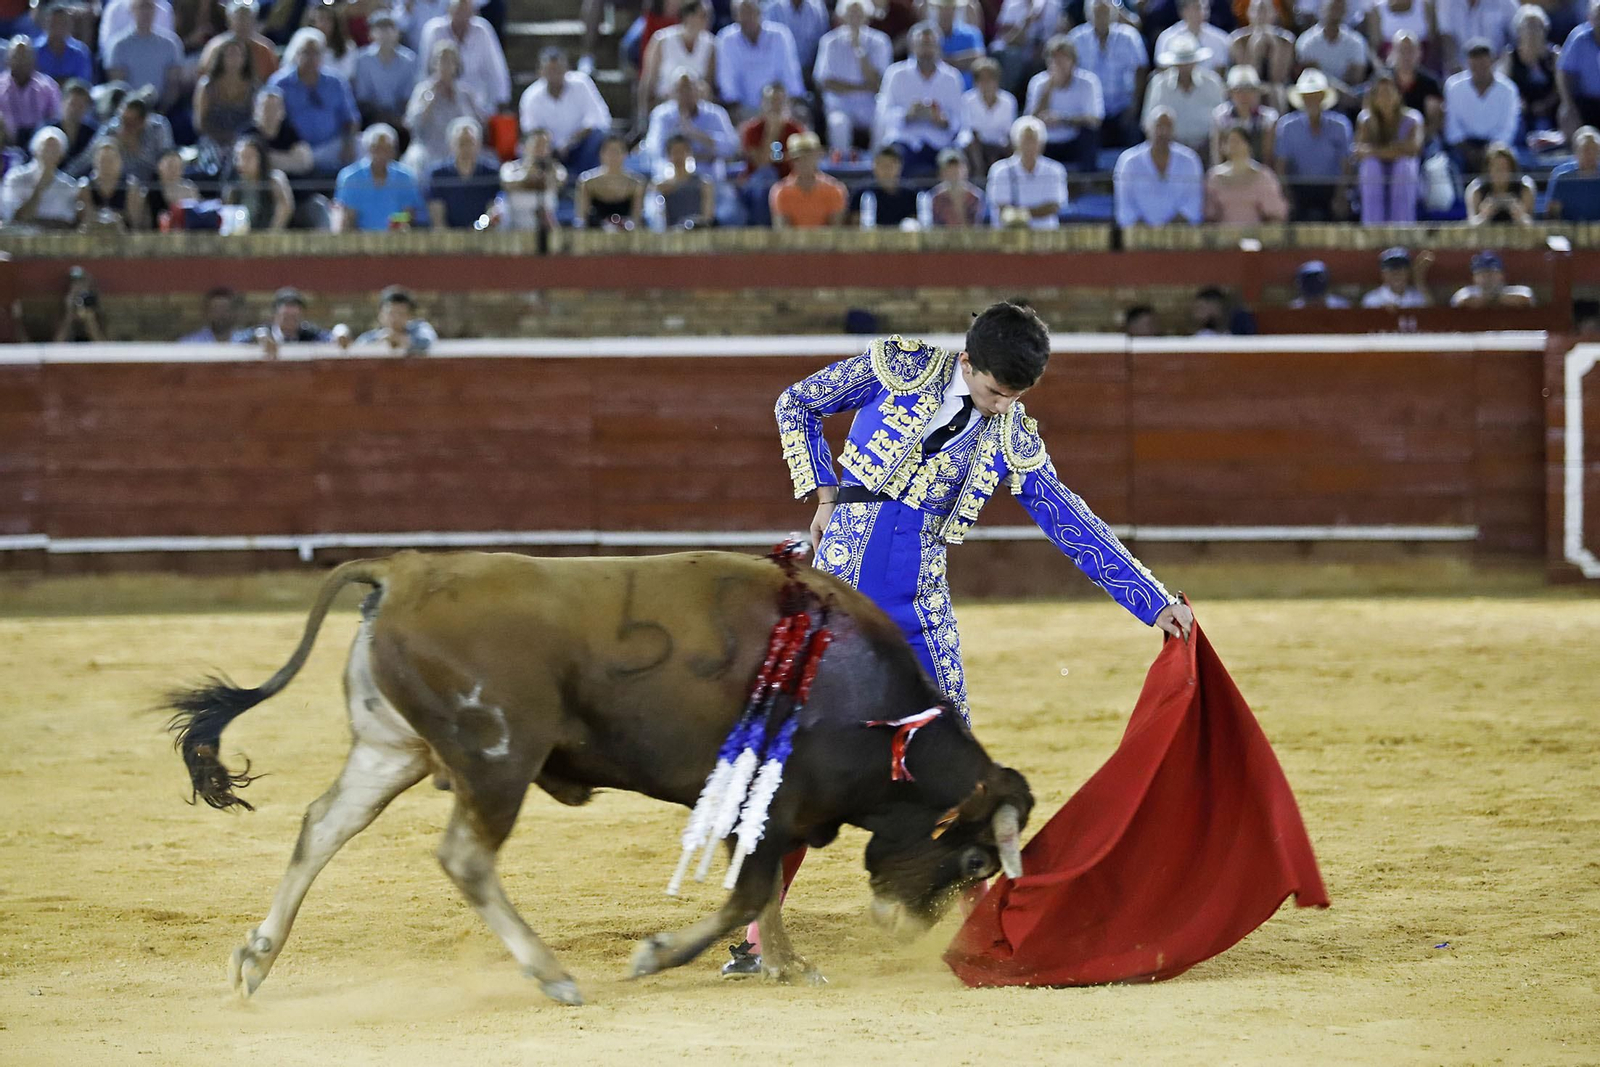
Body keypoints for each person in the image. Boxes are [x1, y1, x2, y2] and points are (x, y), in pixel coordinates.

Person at [744, 302, 1195, 978]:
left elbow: (1066, 515)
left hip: (921, 600)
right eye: (992, 391)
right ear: (967, 361)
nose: (999, 406)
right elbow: (798, 403)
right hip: (842, 588)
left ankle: (980, 928)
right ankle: (757, 934)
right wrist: (824, 493)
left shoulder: (1011, 429)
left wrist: (1151, 600)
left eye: (1013, 396)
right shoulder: (898, 367)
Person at [877, 22, 966, 177]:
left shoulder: (952, 77)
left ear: (938, 47)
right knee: (892, 159)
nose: (926, 50)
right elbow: (884, 114)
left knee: (953, 162)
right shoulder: (896, 74)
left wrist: (941, 120)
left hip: (940, 143)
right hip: (904, 140)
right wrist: (908, 115)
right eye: (922, 45)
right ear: (912, 46)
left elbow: (960, 119)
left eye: (930, 45)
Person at [267, 27, 360, 173]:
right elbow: (269, 120)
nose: (311, 58)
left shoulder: (336, 82)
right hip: (294, 150)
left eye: (316, 53)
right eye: (306, 52)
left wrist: (348, 143)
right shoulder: (280, 83)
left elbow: (351, 119)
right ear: (296, 54)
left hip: (331, 147)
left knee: (367, 143)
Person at [518, 47, 611, 179]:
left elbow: (599, 119)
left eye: (558, 70)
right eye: (550, 70)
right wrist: (550, 147)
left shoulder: (581, 84)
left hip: (580, 146)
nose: (554, 75)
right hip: (548, 151)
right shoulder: (530, 96)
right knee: (527, 149)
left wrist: (570, 142)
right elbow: (531, 131)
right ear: (540, 72)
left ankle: (586, 180)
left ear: (567, 69)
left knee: (598, 137)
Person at [1274, 68, 1353, 220]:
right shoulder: (1287, 126)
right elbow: (1281, 165)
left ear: (1323, 97)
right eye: (1307, 96)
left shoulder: (1340, 126)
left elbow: (1346, 164)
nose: (1311, 100)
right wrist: (1286, 196)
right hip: (1299, 188)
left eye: (1315, 95)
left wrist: (1340, 195)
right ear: (1301, 98)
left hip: (1332, 188)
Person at [813, 0, 891, 151]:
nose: (855, 18)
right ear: (843, 16)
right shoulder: (829, 41)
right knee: (838, 124)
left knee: (883, 122)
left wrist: (859, 49)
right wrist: (863, 87)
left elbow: (878, 83)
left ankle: (877, 162)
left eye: (859, 13)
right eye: (851, 13)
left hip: (870, 105)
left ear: (867, 16)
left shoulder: (880, 41)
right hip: (840, 104)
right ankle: (841, 161)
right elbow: (825, 82)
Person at [1068, 0, 1147, 148]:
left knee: (1133, 134)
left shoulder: (1129, 36)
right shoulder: (1076, 38)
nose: (1101, 17)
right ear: (1088, 14)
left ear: (1114, 14)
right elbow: (1070, 73)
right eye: (1097, 13)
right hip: (1089, 110)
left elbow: (1140, 70)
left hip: (1122, 106)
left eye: (1105, 12)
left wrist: (1134, 105)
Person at [402, 38, 484, 174]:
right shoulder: (422, 90)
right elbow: (412, 124)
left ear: (456, 65)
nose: (445, 65)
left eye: (450, 60)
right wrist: (430, 101)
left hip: (458, 149)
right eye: (441, 60)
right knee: (417, 159)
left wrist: (455, 97)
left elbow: (474, 126)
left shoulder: (465, 93)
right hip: (429, 148)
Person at [1114, 104, 1204, 226]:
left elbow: (1192, 204)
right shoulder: (1129, 161)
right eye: (1158, 126)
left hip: (1181, 232)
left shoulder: (1190, 160)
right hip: (1137, 234)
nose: (1163, 132)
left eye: (1168, 127)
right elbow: (1126, 207)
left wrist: (1166, 232)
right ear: (1147, 128)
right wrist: (1148, 233)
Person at [1025, 35, 1104, 171]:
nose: (1058, 63)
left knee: (1089, 134)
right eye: (1053, 59)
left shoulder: (1088, 82)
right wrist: (1049, 88)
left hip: (1075, 141)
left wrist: (1063, 120)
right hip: (1047, 143)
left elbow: (1095, 119)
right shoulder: (1038, 83)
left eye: (1063, 58)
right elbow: (1030, 119)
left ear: (1073, 61)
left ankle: (1088, 178)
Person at [715, 0, 804, 121]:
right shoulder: (726, 39)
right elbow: (727, 81)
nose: (747, 18)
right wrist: (737, 111)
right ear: (735, 16)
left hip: (780, 108)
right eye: (742, 13)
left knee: (801, 115)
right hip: (744, 111)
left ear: (760, 12)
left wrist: (786, 107)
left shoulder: (780, 35)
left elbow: (790, 75)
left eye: (751, 12)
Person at [1354, 70, 1422, 223]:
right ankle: (1372, 229)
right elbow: (1360, 152)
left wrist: (1374, 151)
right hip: (1376, 175)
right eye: (1380, 94)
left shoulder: (1413, 119)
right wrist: (1395, 150)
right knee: (1371, 167)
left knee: (1403, 166)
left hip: (1407, 177)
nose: (1385, 98)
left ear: (1399, 95)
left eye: (1389, 92)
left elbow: (1413, 149)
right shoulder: (1366, 120)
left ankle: (1402, 230)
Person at [417, 0, 509, 112]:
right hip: (440, 100)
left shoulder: (482, 30)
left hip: (478, 102)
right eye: (458, 11)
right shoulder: (434, 30)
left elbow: (494, 69)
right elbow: (425, 69)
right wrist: (428, 95)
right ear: (449, 10)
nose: (462, 15)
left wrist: (501, 98)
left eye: (466, 11)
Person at [334, 122, 430, 230]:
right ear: (368, 148)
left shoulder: (406, 177)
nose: (382, 153)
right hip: (360, 238)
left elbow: (409, 213)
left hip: (396, 237)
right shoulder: (350, 177)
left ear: (394, 150)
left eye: (387, 148)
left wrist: (397, 220)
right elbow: (348, 218)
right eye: (377, 148)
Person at [1142, 34, 1226, 156]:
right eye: (1181, 63)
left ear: (1196, 62)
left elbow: (1223, 120)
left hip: (1208, 149)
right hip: (1170, 150)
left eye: (1188, 62)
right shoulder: (1159, 84)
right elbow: (1148, 123)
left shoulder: (1212, 82)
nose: (1185, 67)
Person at [1443, 38, 1519, 174]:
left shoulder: (1508, 89)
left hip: (1497, 146)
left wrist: (1490, 151)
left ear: (1492, 61)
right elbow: (1452, 128)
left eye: (1483, 64)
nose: (1479, 69)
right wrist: (1469, 151)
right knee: (1448, 165)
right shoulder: (1453, 86)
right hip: (1463, 147)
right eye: (1474, 64)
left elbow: (1508, 129)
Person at [641, 68, 738, 174]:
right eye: (680, 90)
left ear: (698, 90)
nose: (685, 95)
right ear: (673, 92)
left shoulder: (716, 114)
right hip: (671, 176)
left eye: (689, 89)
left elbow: (732, 147)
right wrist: (680, 153)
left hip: (708, 175)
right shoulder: (661, 115)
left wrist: (696, 134)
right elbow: (654, 149)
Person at [737, 80, 805, 225]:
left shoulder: (795, 130)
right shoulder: (751, 130)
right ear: (762, 103)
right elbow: (761, 163)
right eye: (772, 101)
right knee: (767, 175)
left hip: (789, 182)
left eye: (780, 101)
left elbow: (801, 163)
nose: (776, 106)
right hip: (755, 186)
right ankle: (763, 231)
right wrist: (772, 132)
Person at [985, 114, 1069, 227]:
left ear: (1041, 143)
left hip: (1045, 235)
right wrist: (1024, 214)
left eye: (1033, 140)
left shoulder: (1055, 170)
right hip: (1009, 235)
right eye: (1025, 140)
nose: (1029, 145)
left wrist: (1020, 214)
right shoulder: (999, 170)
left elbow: (1054, 206)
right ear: (1016, 142)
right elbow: (1001, 207)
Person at [638, 0, 714, 122]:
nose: (707, 20)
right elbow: (648, 82)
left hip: (697, 113)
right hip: (664, 109)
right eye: (702, 15)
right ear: (688, 16)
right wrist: (644, 117)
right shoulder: (662, 40)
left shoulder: (710, 44)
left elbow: (708, 84)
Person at [105, 0, 184, 109]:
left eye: (149, 7)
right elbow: (118, 85)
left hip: (161, 109)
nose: (146, 12)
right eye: (142, 7)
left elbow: (173, 86)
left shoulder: (171, 44)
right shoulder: (119, 46)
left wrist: (161, 110)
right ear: (132, 10)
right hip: (128, 110)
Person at [192, 34, 259, 161]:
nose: (234, 59)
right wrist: (222, 139)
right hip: (212, 141)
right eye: (230, 54)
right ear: (221, 57)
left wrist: (237, 141)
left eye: (238, 54)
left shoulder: (253, 88)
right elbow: (199, 123)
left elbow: (256, 121)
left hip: (244, 142)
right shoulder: (207, 87)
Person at [351, 8, 418, 132]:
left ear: (397, 32)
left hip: (401, 121)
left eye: (389, 27)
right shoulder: (363, 59)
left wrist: (397, 120)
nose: (385, 33)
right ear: (371, 34)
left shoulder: (409, 59)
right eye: (380, 28)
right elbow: (363, 98)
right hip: (372, 120)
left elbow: (409, 96)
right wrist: (384, 118)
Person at [1205, 122, 1288, 221]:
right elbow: (1209, 214)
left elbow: (1275, 214)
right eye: (1230, 141)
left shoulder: (1263, 176)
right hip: (1223, 230)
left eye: (1238, 141)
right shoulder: (1214, 177)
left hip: (1255, 230)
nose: (1234, 145)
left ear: (1248, 144)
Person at [0, 124, 78, 226]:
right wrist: (39, 188)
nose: (49, 153)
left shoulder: (68, 185)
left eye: (55, 149)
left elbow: (67, 222)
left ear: (61, 155)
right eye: (46, 147)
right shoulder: (16, 178)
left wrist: (38, 222)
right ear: (35, 150)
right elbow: (14, 218)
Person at [427, 115, 498, 227]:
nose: (466, 148)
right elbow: (437, 218)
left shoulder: (490, 173)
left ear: (479, 144)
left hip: (482, 234)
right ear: (451, 144)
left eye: (470, 142)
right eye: (461, 143)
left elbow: (492, 211)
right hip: (448, 235)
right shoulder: (438, 174)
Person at [769, 129, 845, 227]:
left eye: (809, 156)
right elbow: (783, 231)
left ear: (818, 157)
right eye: (798, 158)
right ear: (791, 161)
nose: (804, 162)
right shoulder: (781, 192)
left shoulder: (834, 190)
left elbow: (835, 230)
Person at [1228, 0, 1295, 110]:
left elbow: (1278, 77)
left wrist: (1275, 47)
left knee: (1276, 91)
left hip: (1274, 87)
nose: (1261, 15)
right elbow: (1246, 75)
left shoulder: (1286, 40)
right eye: (1257, 11)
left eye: (1265, 11)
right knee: (1249, 91)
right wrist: (1254, 48)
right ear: (1248, 13)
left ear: (1274, 13)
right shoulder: (1238, 40)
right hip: (1248, 85)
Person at [959, 56, 1019, 178]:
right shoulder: (967, 100)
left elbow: (1009, 131)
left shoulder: (1009, 101)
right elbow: (972, 130)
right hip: (975, 144)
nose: (986, 83)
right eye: (981, 79)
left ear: (997, 80)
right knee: (972, 144)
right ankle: (979, 175)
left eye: (990, 78)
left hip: (999, 144)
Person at [497, 126, 564, 232]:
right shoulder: (510, 167)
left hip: (545, 228)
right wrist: (527, 176)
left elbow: (559, 181)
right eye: (537, 145)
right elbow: (507, 183)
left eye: (546, 146)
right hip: (513, 227)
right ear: (525, 147)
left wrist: (542, 178)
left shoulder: (555, 169)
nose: (542, 150)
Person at [992, 0, 1065, 96]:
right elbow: (1010, 40)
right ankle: (1009, 95)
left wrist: (1043, 48)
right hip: (1018, 50)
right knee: (1012, 55)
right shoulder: (1012, 4)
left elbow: (1059, 35)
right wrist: (1026, 23)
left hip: (1044, 50)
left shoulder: (1054, 5)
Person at [222, 133, 294, 229]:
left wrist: (271, 233)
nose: (242, 163)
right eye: (238, 157)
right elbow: (228, 216)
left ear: (260, 158)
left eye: (248, 157)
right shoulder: (233, 187)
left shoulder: (273, 180)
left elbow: (285, 208)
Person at [1296, 0, 1374, 88]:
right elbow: (1311, 75)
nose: (1336, 12)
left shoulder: (1356, 42)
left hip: (1349, 93)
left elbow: (1356, 77)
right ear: (1322, 9)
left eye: (1340, 8)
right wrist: (1337, 89)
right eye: (1333, 8)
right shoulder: (1307, 42)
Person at [1506, 3, 1559, 133]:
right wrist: (1519, 102)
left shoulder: (1554, 56)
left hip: (1548, 110)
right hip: (1519, 110)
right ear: (1519, 31)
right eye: (1528, 26)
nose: (1532, 31)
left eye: (1537, 26)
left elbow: (1560, 88)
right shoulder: (1510, 57)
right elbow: (1505, 85)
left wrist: (1546, 104)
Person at [1211, 64, 1277, 164]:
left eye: (1249, 90)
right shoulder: (1221, 117)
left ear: (1256, 93)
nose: (1244, 95)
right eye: (1239, 91)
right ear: (1231, 93)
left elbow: (1268, 156)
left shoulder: (1268, 118)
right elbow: (1218, 154)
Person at [240, 86, 313, 176]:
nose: (270, 113)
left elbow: (305, 163)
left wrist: (266, 160)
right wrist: (288, 159)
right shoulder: (248, 135)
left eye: (275, 107)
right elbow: (244, 164)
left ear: (283, 111)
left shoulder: (289, 132)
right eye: (266, 108)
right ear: (255, 111)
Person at [0, 36, 60, 147]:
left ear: (33, 59)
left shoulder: (48, 87)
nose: (21, 61)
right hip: (5, 146)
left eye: (25, 56)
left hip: (40, 146)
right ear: (7, 59)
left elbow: (55, 120)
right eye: (16, 56)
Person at [575, 133, 645, 229]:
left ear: (625, 154)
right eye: (609, 151)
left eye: (617, 151)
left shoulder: (636, 184)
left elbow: (636, 219)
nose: (613, 156)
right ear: (601, 153)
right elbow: (582, 219)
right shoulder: (587, 182)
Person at [247, 287, 337, 358]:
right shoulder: (265, 332)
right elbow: (240, 339)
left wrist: (338, 334)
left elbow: (330, 338)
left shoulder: (309, 333)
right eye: (286, 317)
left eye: (295, 317)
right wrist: (257, 338)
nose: (290, 322)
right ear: (275, 315)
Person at [649, 131, 715, 227]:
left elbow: (708, 218)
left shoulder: (704, 184)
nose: (679, 156)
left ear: (689, 154)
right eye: (675, 152)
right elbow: (656, 217)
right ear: (668, 155)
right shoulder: (661, 186)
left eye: (682, 151)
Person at [198, 0, 278, 79]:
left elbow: (272, 79)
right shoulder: (216, 47)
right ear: (229, 20)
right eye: (239, 17)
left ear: (254, 20)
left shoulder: (264, 49)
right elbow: (205, 76)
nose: (243, 22)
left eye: (247, 17)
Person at [78, 137, 145, 230]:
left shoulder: (131, 187)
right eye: (103, 160)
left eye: (110, 160)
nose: (107, 165)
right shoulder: (86, 187)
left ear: (120, 161)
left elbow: (135, 223)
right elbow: (86, 220)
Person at [1391, 29, 1445, 140]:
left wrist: (1413, 141)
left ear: (1419, 53)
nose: (1406, 56)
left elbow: (1434, 122)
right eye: (1402, 50)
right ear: (1393, 53)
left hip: (1422, 139)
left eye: (1410, 51)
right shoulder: (1383, 81)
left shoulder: (1430, 84)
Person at [352, 285, 438, 354]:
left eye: (401, 313)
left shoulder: (419, 330)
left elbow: (427, 341)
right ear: (380, 314)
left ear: (409, 316)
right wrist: (379, 344)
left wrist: (400, 340)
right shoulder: (371, 337)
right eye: (391, 313)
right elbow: (358, 349)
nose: (395, 318)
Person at [1155, 0, 1232, 76]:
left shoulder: (1220, 39)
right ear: (1182, 11)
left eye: (1204, 8)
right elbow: (1163, 70)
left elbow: (1220, 72)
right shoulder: (1167, 38)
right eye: (1196, 7)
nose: (1201, 12)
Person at [1464, 140, 1535, 221]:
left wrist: (1520, 216)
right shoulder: (1476, 190)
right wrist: (1484, 216)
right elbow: (1471, 224)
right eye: (1497, 168)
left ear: (1512, 169)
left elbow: (1531, 224)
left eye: (1505, 168)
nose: (1501, 173)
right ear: (1488, 169)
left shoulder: (1525, 188)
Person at [1438, 0, 1516, 72]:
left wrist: (1502, 67)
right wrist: (1454, 65)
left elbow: (1515, 39)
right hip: (1458, 73)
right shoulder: (1445, 2)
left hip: (1497, 72)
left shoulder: (1507, 3)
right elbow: (1446, 35)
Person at [852, 143, 918, 226]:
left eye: (891, 165)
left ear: (900, 166)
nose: (886, 170)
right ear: (874, 166)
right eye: (882, 165)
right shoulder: (862, 193)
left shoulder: (911, 194)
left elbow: (916, 223)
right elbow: (855, 225)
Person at [30, 2, 94, 88]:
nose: (58, 28)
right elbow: (33, 83)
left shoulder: (80, 52)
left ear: (70, 25)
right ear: (46, 24)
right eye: (54, 23)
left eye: (63, 23)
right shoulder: (33, 50)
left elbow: (83, 84)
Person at [1559, 0, 1600, 130]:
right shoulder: (1579, 39)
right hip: (1585, 102)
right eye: (1598, 16)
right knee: (1566, 115)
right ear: (1589, 17)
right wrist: (1568, 104)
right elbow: (1564, 73)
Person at [1546, 124, 1600, 218]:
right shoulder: (1562, 177)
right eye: (1586, 149)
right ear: (1576, 151)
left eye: (1595, 150)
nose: (1591, 154)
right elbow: (1553, 214)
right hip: (1569, 226)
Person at [762, 0, 828, 75]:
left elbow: (821, 45)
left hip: (810, 71)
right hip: (781, 73)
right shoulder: (772, 10)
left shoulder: (818, 9)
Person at [1450, 248, 1535, 306]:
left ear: (1501, 275)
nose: (1487, 278)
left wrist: (1495, 298)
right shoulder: (1466, 293)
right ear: (1474, 278)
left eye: (1492, 274)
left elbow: (1527, 297)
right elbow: (1459, 301)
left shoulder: (1515, 292)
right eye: (1482, 274)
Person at [1361, 245, 1433, 306]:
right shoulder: (1372, 299)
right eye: (1391, 268)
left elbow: (1431, 312)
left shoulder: (1418, 297)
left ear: (1408, 271)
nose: (1396, 273)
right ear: (1383, 273)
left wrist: (1419, 279)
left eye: (1401, 268)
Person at [927, 146, 982, 226]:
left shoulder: (978, 196)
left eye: (957, 167)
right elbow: (929, 226)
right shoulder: (932, 197)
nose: (953, 172)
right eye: (949, 169)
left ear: (966, 170)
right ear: (941, 172)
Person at [143, 146, 198, 225]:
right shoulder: (149, 190)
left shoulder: (189, 189)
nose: (173, 170)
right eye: (170, 166)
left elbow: (196, 215)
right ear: (159, 166)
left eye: (177, 167)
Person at [53, 265, 106, 342]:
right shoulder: (70, 295)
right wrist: (70, 312)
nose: (77, 283)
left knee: (91, 323)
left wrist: (89, 314)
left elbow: (96, 306)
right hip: (72, 316)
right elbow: (68, 305)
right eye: (74, 281)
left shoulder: (91, 294)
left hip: (88, 315)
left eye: (79, 280)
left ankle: (98, 340)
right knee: (65, 323)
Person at [1365, 0, 1431, 60]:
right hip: (1387, 65)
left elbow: (1433, 41)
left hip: (1425, 64)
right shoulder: (1377, 9)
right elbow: (1374, 46)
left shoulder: (1425, 6)